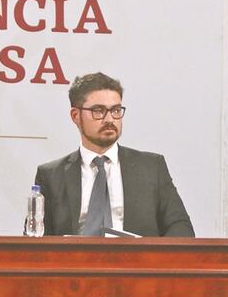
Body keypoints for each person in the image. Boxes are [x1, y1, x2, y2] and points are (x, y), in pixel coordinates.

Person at [34, 72, 194, 237]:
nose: (110, 119)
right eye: (99, 110)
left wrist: (154, 260)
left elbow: (181, 228)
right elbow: (35, 238)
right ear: (76, 116)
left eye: (116, 110)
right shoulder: (51, 175)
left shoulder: (152, 167)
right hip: (75, 261)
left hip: (137, 260)